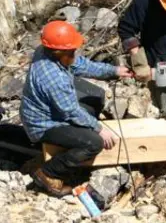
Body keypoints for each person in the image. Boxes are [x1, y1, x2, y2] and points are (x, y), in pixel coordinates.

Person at [20, 20, 133, 197]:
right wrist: (99, 128)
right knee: (93, 143)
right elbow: (70, 111)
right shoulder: (53, 78)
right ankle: (48, 173)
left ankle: (74, 143)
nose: (75, 53)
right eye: (71, 51)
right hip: (43, 124)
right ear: (59, 52)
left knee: (96, 96)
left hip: (52, 109)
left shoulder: (48, 51)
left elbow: (81, 65)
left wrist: (114, 70)